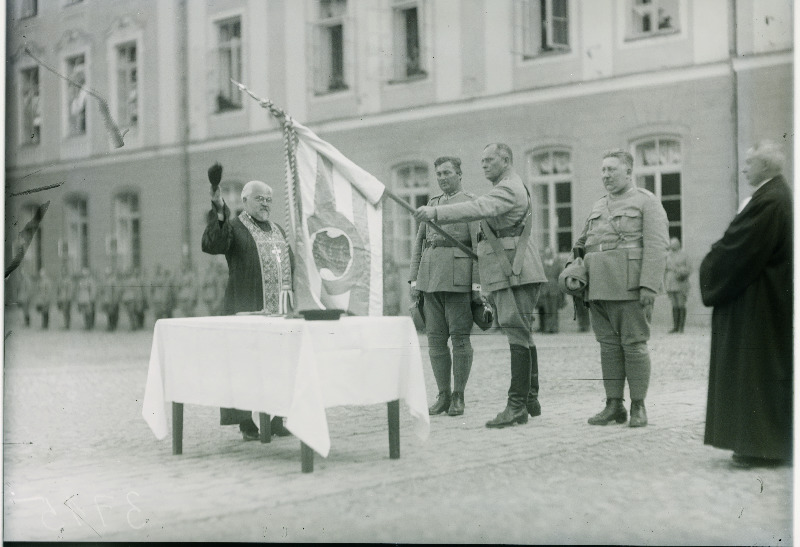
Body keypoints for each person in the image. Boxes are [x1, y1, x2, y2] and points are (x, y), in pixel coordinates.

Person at [414, 143, 547, 428]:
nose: (484, 165)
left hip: (514, 268)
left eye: (489, 160)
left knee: (517, 333)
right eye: (482, 160)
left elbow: (479, 209)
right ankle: (529, 399)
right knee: (521, 332)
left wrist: (436, 214)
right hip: (510, 267)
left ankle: (516, 406)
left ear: (506, 160)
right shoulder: (509, 185)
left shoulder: (508, 188)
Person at [699, 140, 792, 468]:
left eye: (749, 163)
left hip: (758, 304)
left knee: (754, 371)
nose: (743, 168)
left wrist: (711, 261)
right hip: (766, 298)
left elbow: (740, 249)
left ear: (765, 166)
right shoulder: (775, 195)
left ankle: (760, 447)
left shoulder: (768, 200)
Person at [565, 149, 668, 428]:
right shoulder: (599, 206)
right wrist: (574, 272)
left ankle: (638, 405)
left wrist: (649, 284)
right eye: (603, 170)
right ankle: (613, 405)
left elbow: (658, 246)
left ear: (628, 172)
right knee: (608, 348)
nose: (606, 175)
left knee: (634, 346)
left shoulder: (647, 202)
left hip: (631, 285)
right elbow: (582, 244)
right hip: (598, 286)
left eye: (612, 169)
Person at [201, 163, 294, 441]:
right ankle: (245, 422)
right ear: (244, 200)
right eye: (259, 199)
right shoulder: (234, 228)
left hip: (279, 311)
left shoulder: (277, 229)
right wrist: (218, 209)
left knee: (278, 365)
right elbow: (212, 243)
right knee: (245, 368)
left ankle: (277, 419)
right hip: (245, 307)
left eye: (269, 200)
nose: (265, 204)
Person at [409, 156, 481, 417]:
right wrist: (414, 281)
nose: (442, 177)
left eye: (447, 172)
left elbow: (478, 247)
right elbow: (419, 244)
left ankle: (459, 396)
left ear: (459, 174)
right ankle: (443, 395)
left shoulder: (471, 204)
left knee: (460, 339)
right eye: (438, 173)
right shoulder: (432, 205)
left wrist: (476, 286)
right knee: (436, 341)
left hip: (457, 279)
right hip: (430, 280)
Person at [664, 237, 691, 333]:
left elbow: (689, 269)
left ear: (678, 244)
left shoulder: (684, 255)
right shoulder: (668, 255)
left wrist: (680, 271)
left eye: (673, 244)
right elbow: (665, 268)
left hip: (680, 282)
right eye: (671, 244)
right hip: (670, 282)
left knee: (681, 304)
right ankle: (675, 327)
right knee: (674, 305)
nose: (671, 246)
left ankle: (681, 328)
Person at [537, 247, 564, 334]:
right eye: (546, 253)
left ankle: (554, 327)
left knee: (554, 309)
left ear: (552, 254)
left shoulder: (557, 264)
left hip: (554, 289)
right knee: (546, 309)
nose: (548, 255)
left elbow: (560, 276)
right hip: (544, 289)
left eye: (549, 253)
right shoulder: (541, 265)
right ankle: (547, 327)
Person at [98, 267, 121, 331]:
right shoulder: (105, 281)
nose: (106, 275)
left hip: (112, 299)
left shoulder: (113, 281)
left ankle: (113, 325)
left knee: (113, 313)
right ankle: (110, 325)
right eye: (106, 274)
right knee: (109, 313)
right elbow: (102, 290)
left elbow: (116, 291)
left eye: (108, 274)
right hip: (107, 300)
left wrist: (115, 299)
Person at [56, 265, 76, 329]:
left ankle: (67, 325)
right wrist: (58, 297)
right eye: (62, 271)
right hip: (61, 298)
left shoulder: (68, 280)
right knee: (63, 312)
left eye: (64, 271)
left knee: (67, 312)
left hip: (67, 298)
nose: (63, 272)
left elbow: (70, 289)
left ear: (66, 272)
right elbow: (58, 289)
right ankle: (65, 324)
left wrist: (69, 298)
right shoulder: (60, 279)